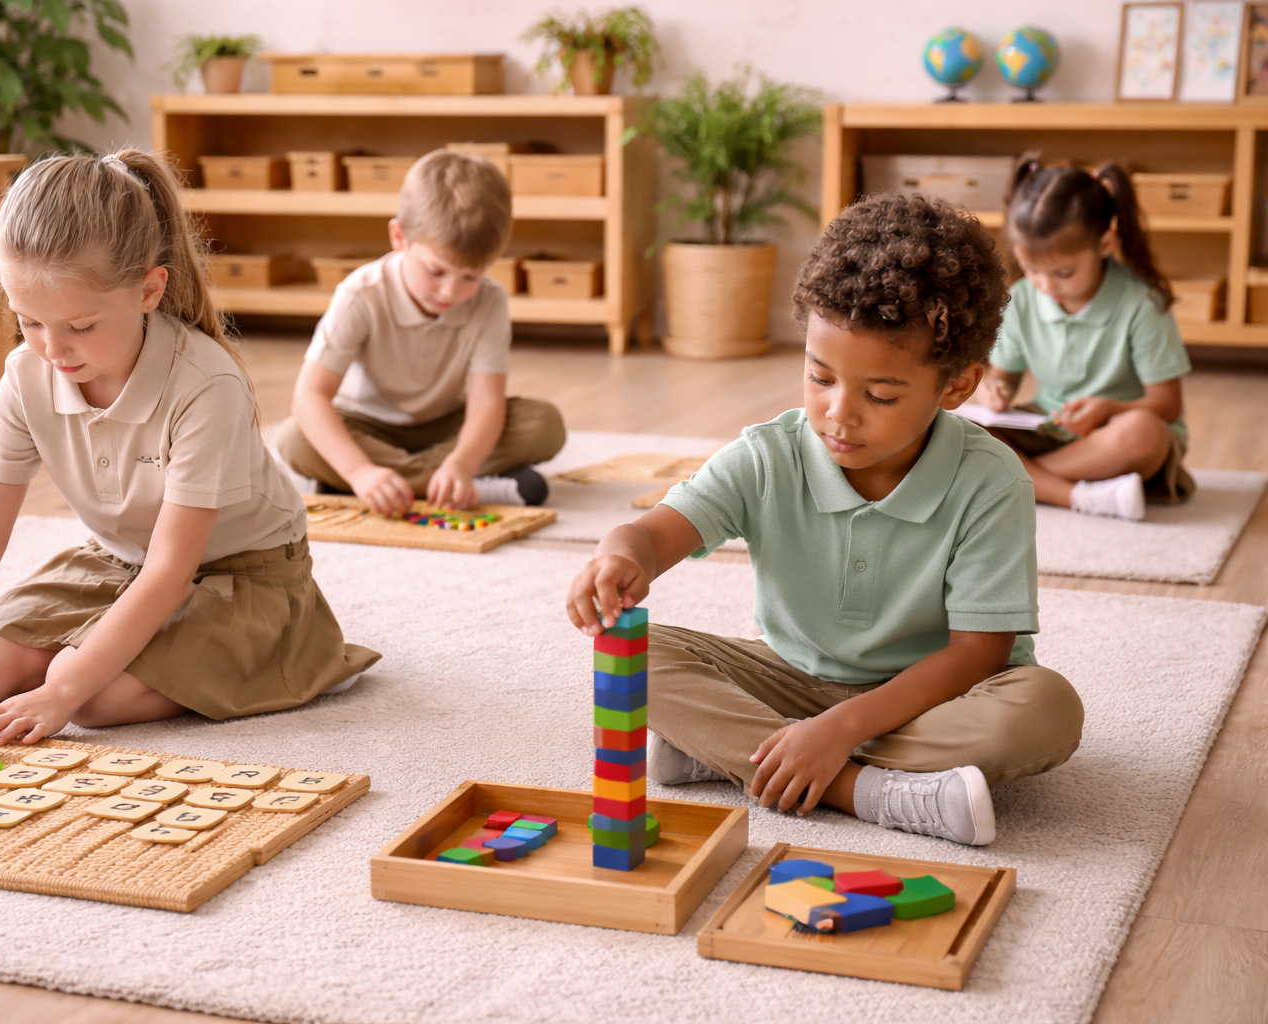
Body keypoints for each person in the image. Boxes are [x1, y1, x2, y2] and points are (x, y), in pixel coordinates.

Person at [564, 192, 1084, 847]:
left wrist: (840, 730)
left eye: (880, 394)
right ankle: (863, 790)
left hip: (931, 697)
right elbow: (651, 533)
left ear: (956, 386)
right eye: (819, 377)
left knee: (1046, 709)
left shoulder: (991, 480)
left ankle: (740, 754)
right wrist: (619, 557)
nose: (839, 413)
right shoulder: (768, 455)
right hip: (790, 680)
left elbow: (978, 654)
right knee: (635, 656)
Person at [0, 151, 379, 745]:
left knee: (89, 699)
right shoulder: (27, 374)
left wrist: (64, 691)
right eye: (30, 322)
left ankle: (282, 652)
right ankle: (98, 660)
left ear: (149, 290)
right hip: (123, 561)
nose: (52, 349)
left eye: (80, 326)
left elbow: (172, 569)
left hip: (242, 574)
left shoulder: (206, 385)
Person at [276, 150, 566, 515]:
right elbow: (310, 396)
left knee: (544, 425)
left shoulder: (490, 300)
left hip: (447, 426)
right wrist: (359, 469)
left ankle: (388, 485)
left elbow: (486, 404)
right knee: (295, 439)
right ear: (399, 236)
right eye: (436, 271)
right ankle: (435, 486)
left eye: (470, 277)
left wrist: (461, 463)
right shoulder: (361, 294)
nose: (450, 291)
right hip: (367, 425)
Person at [977, 155, 1194, 521]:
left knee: (1142, 432)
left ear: (1105, 243)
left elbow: (1168, 404)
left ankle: (1013, 480)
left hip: (1116, 434)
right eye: (1032, 269)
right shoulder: (1023, 298)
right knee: (958, 428)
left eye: (1064, 272)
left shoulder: (1142, 304)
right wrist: (996, 389)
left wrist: (1108, 409)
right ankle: (1076, 495)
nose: (1045, 285)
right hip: (1050, 426)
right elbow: (1004, 375)